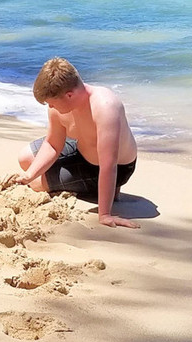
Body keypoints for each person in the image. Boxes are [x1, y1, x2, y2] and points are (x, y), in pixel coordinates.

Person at [8, 57, 139, 229]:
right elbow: (53, 144)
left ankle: (110, 189)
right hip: (81, 147)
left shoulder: (105, 107)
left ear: (69, 95)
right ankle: (84, 184)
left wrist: (104, 214)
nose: (50, 107)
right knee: (25, 159)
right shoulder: (60, 104)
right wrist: (29, 175)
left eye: (52, 103)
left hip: (111, 167)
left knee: (37, 184)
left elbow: (109, 165)